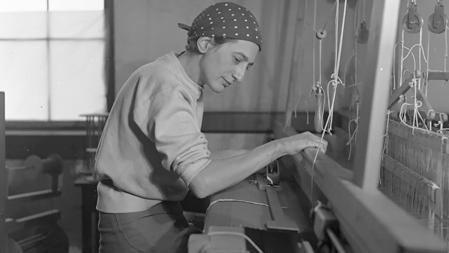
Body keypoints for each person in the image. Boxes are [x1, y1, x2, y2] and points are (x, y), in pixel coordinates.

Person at [95, 2, 327, 253]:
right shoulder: (167, 87)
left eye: (247, 67)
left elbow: (198, 161)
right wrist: (280, 146)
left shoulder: (179, 81)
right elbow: (203, 180)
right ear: (205, 44)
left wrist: (265, 156)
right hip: (136, 223)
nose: (240, 75)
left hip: (152, 212)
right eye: (237, 60)